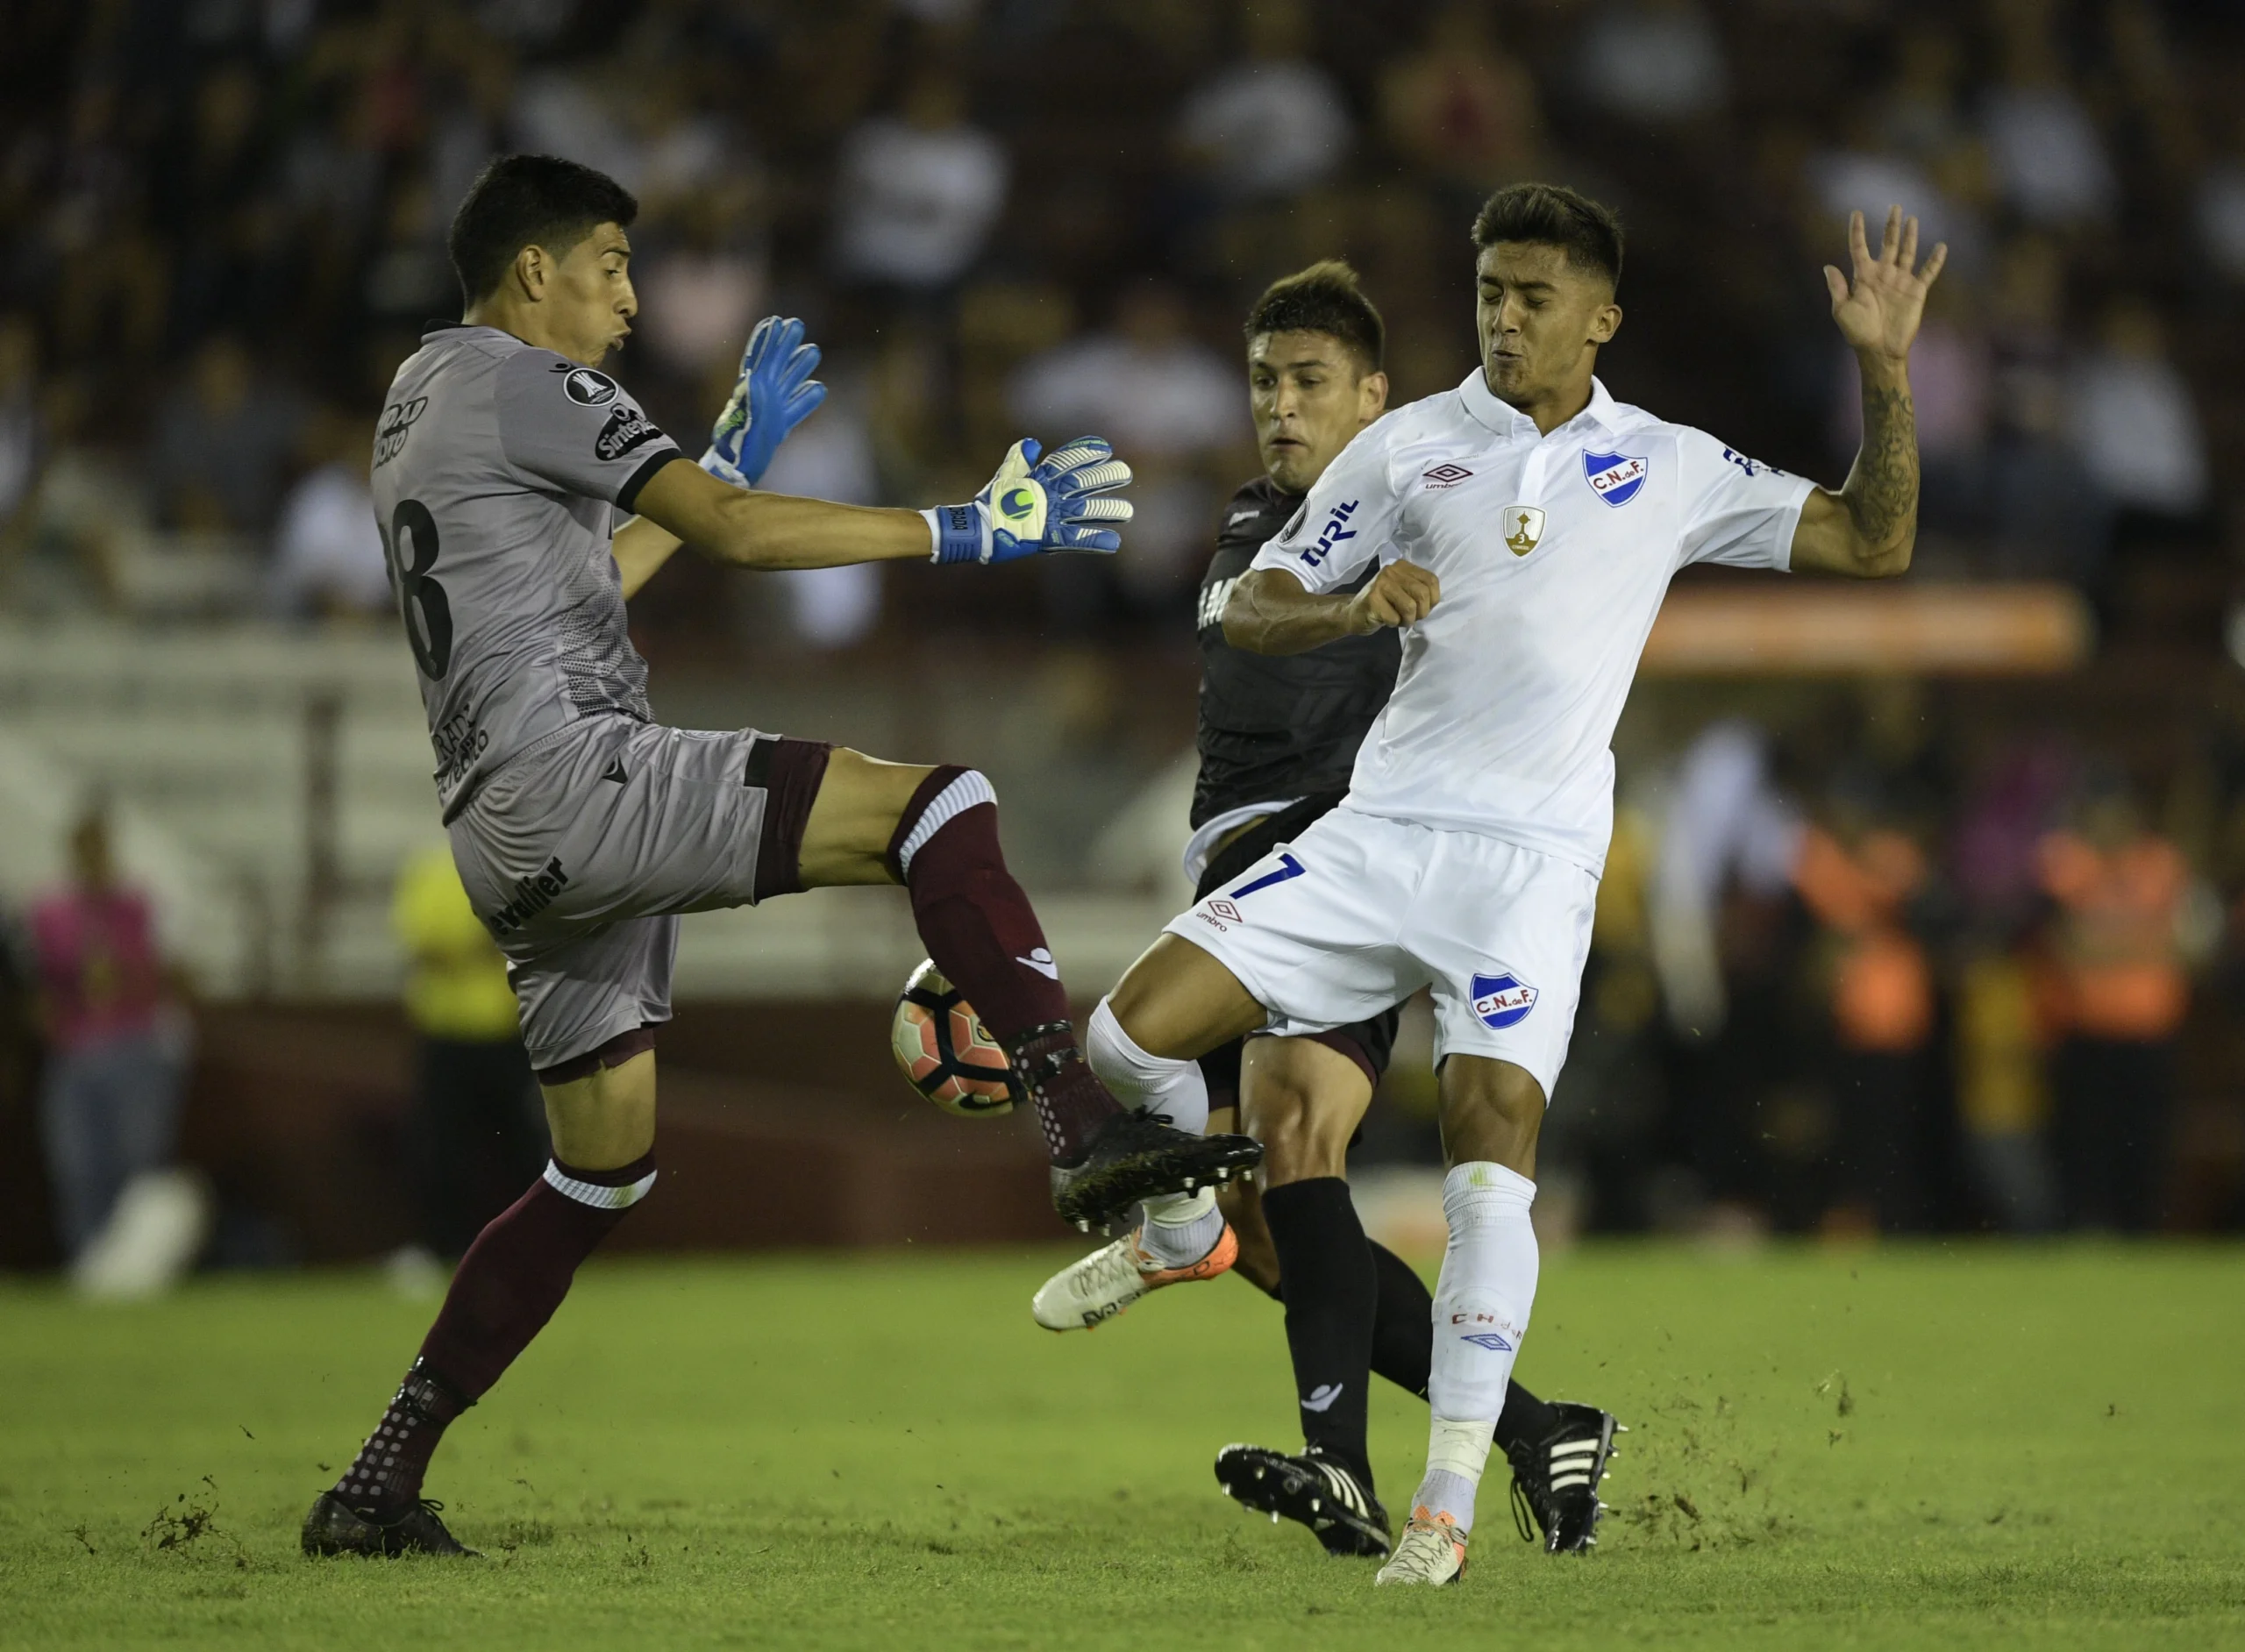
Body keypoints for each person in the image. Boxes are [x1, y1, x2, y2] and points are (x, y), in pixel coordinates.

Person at [303, 154, 1258, 1560]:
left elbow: (602, 572)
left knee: (597, 1176)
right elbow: (736, 540)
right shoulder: (534, 382)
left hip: (503, 836)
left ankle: (379, 1478)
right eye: (613, 265)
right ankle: (1078, 1126)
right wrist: (963, 527)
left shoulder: (421, 399)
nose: (631, 300)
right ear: (532, 274)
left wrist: (728, 459)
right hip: (582, 777)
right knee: (940, 804)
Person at [1077, 182, 1944, 1587]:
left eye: (1534, 298)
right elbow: (1252, 603)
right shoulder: (1409, 443)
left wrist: (1885, 372)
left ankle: (1445, 1509)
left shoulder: (1666, 464)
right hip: (1378, 833)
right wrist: (1354, 604)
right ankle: (1184, 1225)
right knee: (1124, 1033)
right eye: (1488, 291)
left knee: (1490, 1173)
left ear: (1601, 319)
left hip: (1531, 868)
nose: (1503, 318)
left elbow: (1874, 539)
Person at [1028, 261, 1620, 1558]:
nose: (1281, 409)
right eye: (1263, 383)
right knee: (1278, 1225)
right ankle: (1533, 1429)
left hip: (1343, 864)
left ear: (1376, 400)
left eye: (1310, 385)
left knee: (1291, 1143)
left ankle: (1323, 1443)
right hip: (1234, 860)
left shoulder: (1427, 517)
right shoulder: (1257, 525)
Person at [30, 805, 194, 1270]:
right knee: (78, 1165)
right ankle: (89, 1261)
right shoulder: (51, 911)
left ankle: (137, 1262)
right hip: (75, 1050)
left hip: (134, 1045)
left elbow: (165, 973)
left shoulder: (136, 906)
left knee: (136, 1164)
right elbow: (44, 986)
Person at [389, 845, 547, 1266]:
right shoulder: (432, 869)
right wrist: (479, 941)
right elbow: (424, 941)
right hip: (443, 1035)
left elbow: (520, 931)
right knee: (441, 1148)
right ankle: (441, 1246)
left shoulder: (519, 864)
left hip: (505, 1033)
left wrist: (470, 943)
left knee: (524, 1149)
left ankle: (538, 1242)